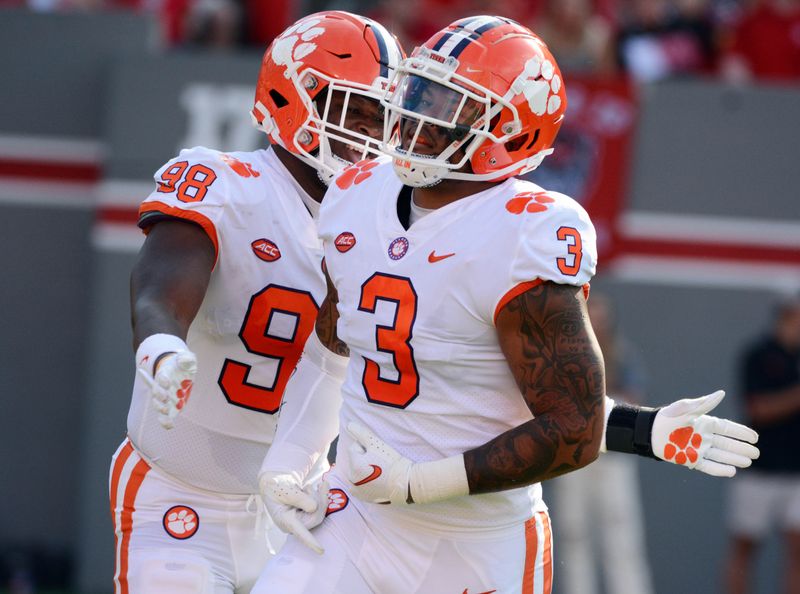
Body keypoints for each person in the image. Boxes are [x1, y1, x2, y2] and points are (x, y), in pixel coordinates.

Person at [252, 16, 760, 594]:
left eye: (448, 105)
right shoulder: (355, 192)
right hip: (358, 515)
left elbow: (572, 423)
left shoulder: (525, 233)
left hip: (475, 544)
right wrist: (292, 453)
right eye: (418, 92)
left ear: (509, 132)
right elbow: (336, 339)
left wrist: (421, 482)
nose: (417, 118)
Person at [108, 11, 404, 594]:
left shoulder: (385, 223)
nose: (369, 136)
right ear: (293, 96)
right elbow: (161, 277)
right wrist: (162, 342)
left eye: (383, 117)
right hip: (179, 498)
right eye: (354, 112)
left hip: (305, 502)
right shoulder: (228, 184)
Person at [551, 292, 654, 594]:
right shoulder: (564, 356)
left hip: (614, 460)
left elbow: (635, 400)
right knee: (574, 537)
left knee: (622, 536)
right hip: (575, 459)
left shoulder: (621, 354)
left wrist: (601, 405)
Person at [724, 294, 800, 594]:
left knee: (796, 547)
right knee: (745, 545)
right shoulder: (758, 355)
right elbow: (757, 408)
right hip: (759, 466)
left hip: (796, 470)